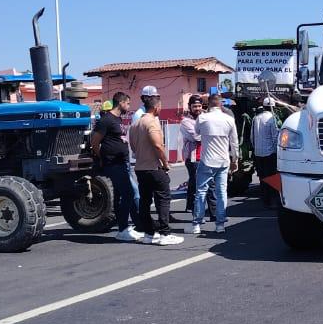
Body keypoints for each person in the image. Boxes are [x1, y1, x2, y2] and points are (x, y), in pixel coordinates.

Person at [89, 91, 145, 243]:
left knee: (121, 195)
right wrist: (102, 157)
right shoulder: (106, 120)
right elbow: (95, 141)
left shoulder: (118, 119)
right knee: (128, 194)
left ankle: (124, 228)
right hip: (113, 163)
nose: (129, 106)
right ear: (121, 103)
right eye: (128, 103)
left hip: (122, 161)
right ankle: (123, 229)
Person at [129, 90, 183, 245]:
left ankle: (148, 233)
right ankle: (165, 234)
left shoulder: (135, 124)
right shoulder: (152, 122)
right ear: (156, 107)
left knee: (145, 201)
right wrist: (165, 163)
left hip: (140, 168)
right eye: (160, 106)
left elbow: (133, 146)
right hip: (154, 166)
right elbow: (158, 145)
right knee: (163, 199)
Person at [193, 92, 240, 235]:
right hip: (223, 160)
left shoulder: (202, 118)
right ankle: (220, 224)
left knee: (201, 191)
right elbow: (234, 142)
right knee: (221, 192)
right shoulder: (229, 119)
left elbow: (197, 132)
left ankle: (197, 224)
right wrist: (235, 159)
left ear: (208, 103)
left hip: (206, 159)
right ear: (221, 103)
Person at [251, 96, 281, 207]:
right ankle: (273, 201)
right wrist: (277, 152)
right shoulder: (272, 119)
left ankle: (266, 201)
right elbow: (275, 137)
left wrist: (255, 149)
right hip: (270, 153)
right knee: (272, 177)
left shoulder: (255, 118)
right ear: (273, 107)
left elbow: (252, 137)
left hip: (258, 153)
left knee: (262, 178)